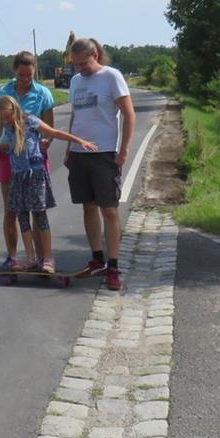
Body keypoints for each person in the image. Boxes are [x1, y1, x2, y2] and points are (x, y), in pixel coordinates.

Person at [0, 95, 96, 273]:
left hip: (35, 174)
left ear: (14, 110)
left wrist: (78, 141)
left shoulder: (30, 121)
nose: (4, 120)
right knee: (22, 217)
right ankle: (31, 258)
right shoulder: (7, 127)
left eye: (6, 116)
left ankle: (48, 259)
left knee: (40, 215)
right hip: (18, 176)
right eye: (1, 117)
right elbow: (9, 145)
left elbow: (54, 132)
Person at [64, 37, 135, 291]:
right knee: (88, 207)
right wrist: (68, 148)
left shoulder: (111, 76)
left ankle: (113, 266)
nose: (79, 69)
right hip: (79, 153)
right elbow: (75, 115)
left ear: (95, 54)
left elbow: (128, 114)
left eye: (82, 63)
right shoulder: (75, 81)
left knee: (110, 210)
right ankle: (97, 259)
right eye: (75, 64)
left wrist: (124, 149)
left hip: (104, 152)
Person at [0, 51, 55, 271]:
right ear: (15, 71)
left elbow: (50, 129)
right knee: (11, 209)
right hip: (8, 156)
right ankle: (13, 257)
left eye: (29, 75)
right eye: (22, 74)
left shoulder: (43, 93)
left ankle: (42, 259)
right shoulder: (4, 91)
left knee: (37, 208)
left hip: (34, 160)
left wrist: (46, 142)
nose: (26, 79)